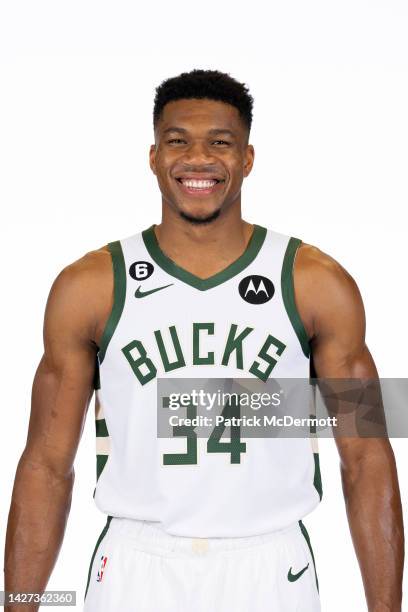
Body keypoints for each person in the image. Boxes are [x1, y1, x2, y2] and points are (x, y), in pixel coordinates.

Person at [4, 69, 404, 612]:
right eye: (178, 142)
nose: (198, 159)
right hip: (135, 564)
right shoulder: (90, 286)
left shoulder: (316, 282)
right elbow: (47, 464)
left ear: (247, 159)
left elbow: (366, 456)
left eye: (220, 142)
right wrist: (20, 604)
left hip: (270, 564)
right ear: (153, 157)